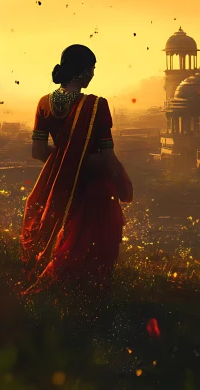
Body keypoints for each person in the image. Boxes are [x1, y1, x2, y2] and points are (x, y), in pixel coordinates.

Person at [20, 44, 133, 298]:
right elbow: (107, 157)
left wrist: (65, 163)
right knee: (94, 245)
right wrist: (123, 183)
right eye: (91, 68)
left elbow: (38, 152)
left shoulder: (43, 104)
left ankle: (60, 294)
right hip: (92, 187)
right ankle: (86, 298)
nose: (93, 74)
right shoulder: (97, 106)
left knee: (59, 234)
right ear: (81, 71)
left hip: (57, 185)